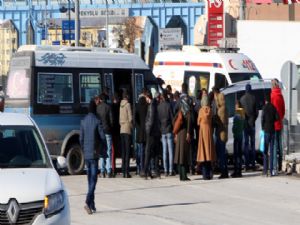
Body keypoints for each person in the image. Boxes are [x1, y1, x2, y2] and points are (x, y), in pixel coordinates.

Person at [80, 99, 105, 214]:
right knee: (94, 180)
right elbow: (103, 137)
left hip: (87, 154)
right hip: (94, 154)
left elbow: (81, 139)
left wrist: (84, 148)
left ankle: (92, 204)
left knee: (90, 180)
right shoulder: (97, 121)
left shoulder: (83, 121)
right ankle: (87, 201)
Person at [173, 83, 192, 181]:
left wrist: (175, 132)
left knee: (179, 154)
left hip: (179, 131)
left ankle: (181, 175)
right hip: (184, 131)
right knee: (183, 154)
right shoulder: (188, 103)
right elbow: (189, 119)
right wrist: (189, 132)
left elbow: (174, 118)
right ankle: (184, 176)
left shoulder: (178, 103)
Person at [142, 91, 161, 179]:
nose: (145, 99)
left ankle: (145, 171)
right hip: (156, 132)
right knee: (156, 152)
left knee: (147, 152)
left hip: (151, 133)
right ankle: (156, 172)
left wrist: (147, 130)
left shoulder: (151, 106)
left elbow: (151, 120)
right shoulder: (155, 104)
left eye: (145, 97)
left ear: (148, 97)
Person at [196, 95, 216, 180]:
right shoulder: (210, 110)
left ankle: (204, 175)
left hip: (202, 132)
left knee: (203, 152)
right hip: (209, 131)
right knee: (209, 152)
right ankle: (209, 173)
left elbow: (198, 122)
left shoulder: (201, 111)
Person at [240, 84, 258, 171]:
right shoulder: (254, 98)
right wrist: (253, 119)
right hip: (252, 124)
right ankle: (253, 164)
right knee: (253, 144)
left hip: (245, 125)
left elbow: (240, 113)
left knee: (246, 145)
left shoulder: (242, 99)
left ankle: (246, 164)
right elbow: (257, 112)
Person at [97, 93, 114, 178]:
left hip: (100, 132)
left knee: (101, 151)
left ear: (100, 99)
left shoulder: (98, 108)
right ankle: (108, 171)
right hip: (107, 131)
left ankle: (102, 171)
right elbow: (111, 120)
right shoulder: (108, 107)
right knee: (108, 151)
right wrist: (110, 127)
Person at [158, 89, 174, 176]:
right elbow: (172, 118)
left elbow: (158, 120)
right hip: (169, 130)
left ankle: (165, 170)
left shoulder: (159, 107)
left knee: (164, 151)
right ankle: (171, 170)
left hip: (162, 130)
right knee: (170, 151)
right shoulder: (169, 105)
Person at [261, 94, 279, 176]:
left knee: (265, 150)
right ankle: (271, 170)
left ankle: (265, 170)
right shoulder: (273, 107)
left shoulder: (264, 108)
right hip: (272, 130)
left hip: (266, 130)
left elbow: (262, 119)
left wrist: (263, 127)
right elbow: (277, 117)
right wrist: (273, 120)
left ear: (265, 100)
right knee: (271, 150)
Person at [270, 78, 285, 173]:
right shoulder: (280, 95)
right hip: (280, 122)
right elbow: (283, 109)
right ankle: (280, 165)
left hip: (273, 124)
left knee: (274, 145)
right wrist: (280, 118)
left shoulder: (272, 96)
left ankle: (274, 166)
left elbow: (271, 110)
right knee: (280, 145)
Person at [214, 89, 229, 179]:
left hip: (221, 134)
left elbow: (220, 122)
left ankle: (224, 172)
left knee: (222, 154)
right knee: (222, 153)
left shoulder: (222, 110)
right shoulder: (224, 108)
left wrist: (215, 119)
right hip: (223, 133)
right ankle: (224, 171)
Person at [119, 91, 133, 178]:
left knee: (123, 151)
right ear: (127, 97)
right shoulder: (128, 105)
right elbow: (130, 118)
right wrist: (131, 127)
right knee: (128, 151)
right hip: (127, 129)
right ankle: (127, 172)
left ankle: (123, 170)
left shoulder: (120, 105)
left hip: (121, 129)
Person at [135, 89, 148, 175]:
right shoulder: (147, 106)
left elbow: (135, 119)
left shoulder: (137, 106)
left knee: (139, 151)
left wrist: (138, 127)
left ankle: (139, 168)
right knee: (145, 151)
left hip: (139, 132)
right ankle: (144, 168)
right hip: (146, 132)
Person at [231, 101, 245, 178]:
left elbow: (234, 126)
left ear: (237, 106)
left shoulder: (236, 114)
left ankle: (236, 171)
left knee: (236, 155)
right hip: (241, 135)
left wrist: (233, 130)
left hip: (236, 136)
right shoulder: (242, 113)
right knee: (239, 154)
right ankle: (239, 170)